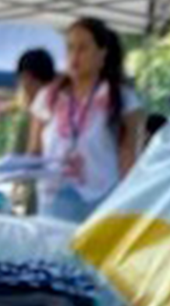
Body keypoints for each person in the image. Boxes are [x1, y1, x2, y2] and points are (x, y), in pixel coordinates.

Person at [28, 18, 144, 222]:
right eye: (70, 48)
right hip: (54, 197)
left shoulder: (123, 98)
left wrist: (131, 203)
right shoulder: (49, 96)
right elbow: (34, 151)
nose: (74, 56)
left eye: (83, 48)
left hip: (103, 199)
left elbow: (128, 154)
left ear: (102, 53)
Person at [11, 48, 57, 214]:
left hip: (42, 203)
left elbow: (17, 163)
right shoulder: (70, 111)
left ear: (27, 79)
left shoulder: (29, 118)